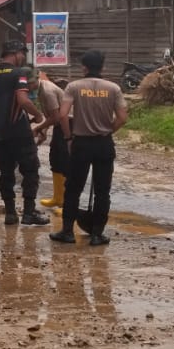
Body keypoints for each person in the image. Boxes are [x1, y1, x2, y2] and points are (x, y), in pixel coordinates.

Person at [51, 50, 128, 248]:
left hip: (81, 143)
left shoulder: (74, 87)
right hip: (103, 144)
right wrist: (108, 130)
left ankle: (67, 232)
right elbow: (122, 118)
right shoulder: (113, 88)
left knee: (73, 189)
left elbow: (62, 115)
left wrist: (68, 138)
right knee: (103, 191)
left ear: (84, 67)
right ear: (102, 67)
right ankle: (97, 234)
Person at [0, 40, 50, 227]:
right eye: (22, 53)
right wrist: (38, 115)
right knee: (30, 171)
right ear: (15, 53)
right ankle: (29, 213)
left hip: (2, 134)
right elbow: (22, 100)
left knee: (6, 173)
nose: (23, 58)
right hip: (20, 133)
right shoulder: (19, 74)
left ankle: (11, 214)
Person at [38, 70, 68, 210]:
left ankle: (65, 202)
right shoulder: (40, 89)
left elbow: (55, 117)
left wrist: (36, 128)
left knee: (64, 161)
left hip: (68, 124)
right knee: (55, 159)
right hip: (58, 125)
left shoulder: (47, 91)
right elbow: (51, 115)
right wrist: (43, 130)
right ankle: (57, 198)